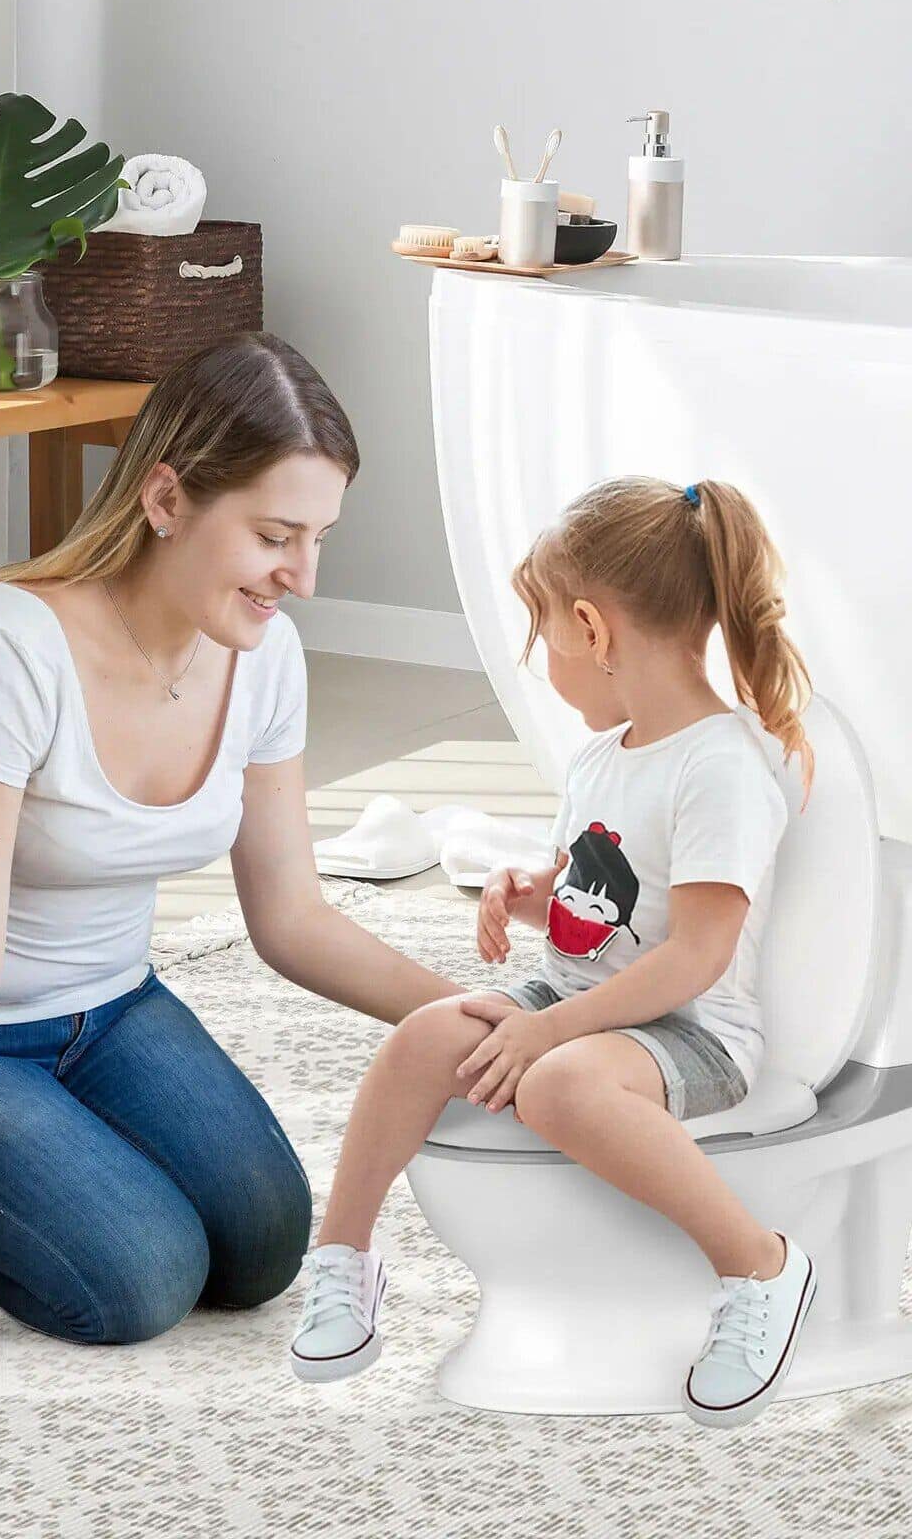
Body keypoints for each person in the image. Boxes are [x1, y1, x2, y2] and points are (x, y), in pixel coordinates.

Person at [0, 333, 464, 1398]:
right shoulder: (8, 648)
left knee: (266, 1245)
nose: (304, 577)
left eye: (318, 538)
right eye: (276, 535)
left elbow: (291, 917)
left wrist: (482, 1022)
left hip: (112, 1009)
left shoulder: (259, 651)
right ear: (166, 498)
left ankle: (41, 1170)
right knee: (141, 1279)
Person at [288, 476, 821, 1430]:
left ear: (591, 626)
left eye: (541, 634)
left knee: (558, 1085)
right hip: (583, 1003)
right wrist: (534, 898)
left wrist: (551, 1033)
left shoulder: (721, 767)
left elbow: (696, 955)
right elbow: (611, 909)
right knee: (422, 1035)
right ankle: (343, 1259)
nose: (539, 659)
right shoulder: (605, 756)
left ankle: (761, 1266)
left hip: (691, 1033)